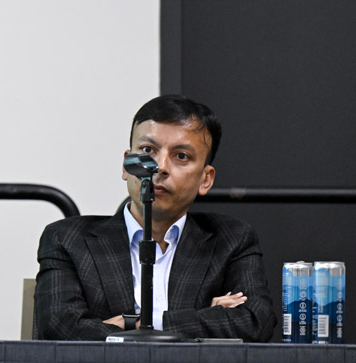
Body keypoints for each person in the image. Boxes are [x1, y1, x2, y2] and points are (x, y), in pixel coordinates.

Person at [34, 95, 276, 341]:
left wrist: (134, 323)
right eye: (147, 150)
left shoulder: (231, 239)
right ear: (126, 165)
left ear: (206, 179)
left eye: (181, 156)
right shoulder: (68, 239)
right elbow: (59, 328)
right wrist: (203, 317)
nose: (160, 167)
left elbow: (255, 322)